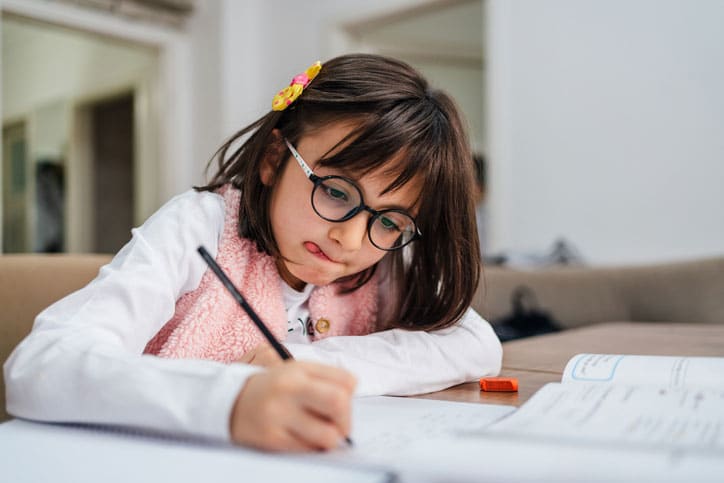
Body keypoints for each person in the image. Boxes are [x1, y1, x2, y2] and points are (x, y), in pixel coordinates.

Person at [4, 54, 502, 452]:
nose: (349, 239)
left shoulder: (379, 258)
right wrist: (232, 398)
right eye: (335, 191)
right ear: (272, 159)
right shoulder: (199, 227)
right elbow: (40, 367)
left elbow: (476, 344)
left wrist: (309, 364)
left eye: (390, 219)